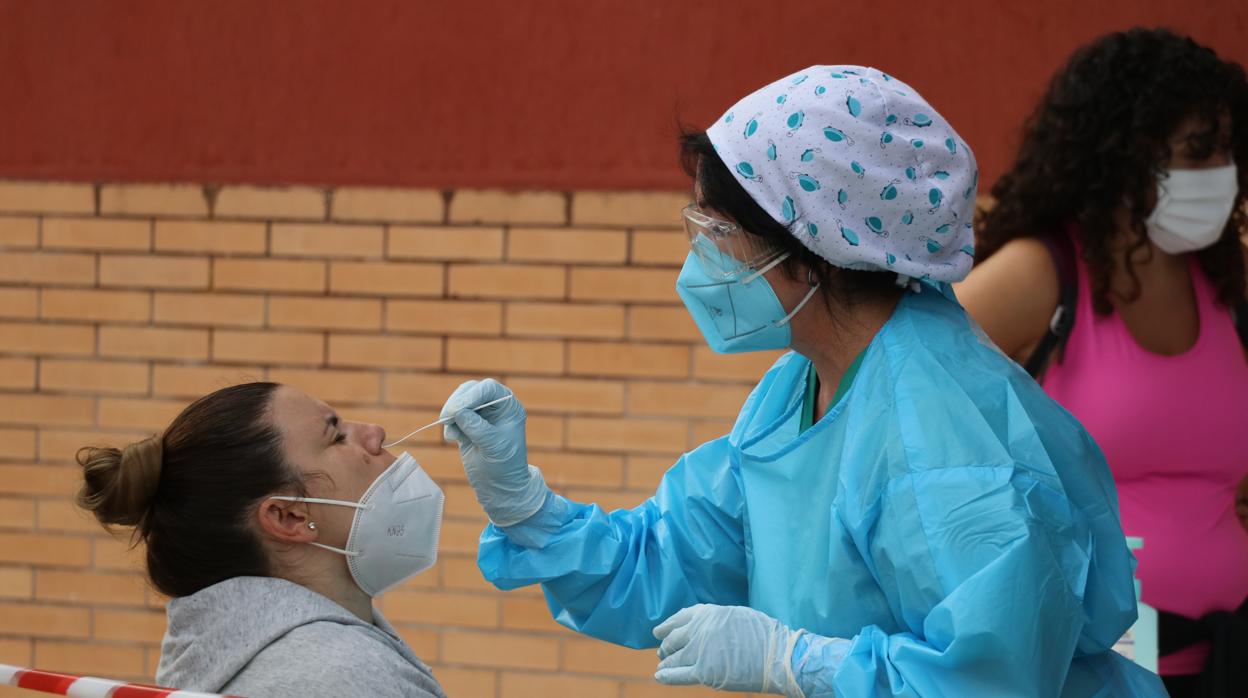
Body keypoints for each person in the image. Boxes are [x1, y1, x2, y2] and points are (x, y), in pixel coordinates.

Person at [439, 66, 1166, 696]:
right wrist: (522, 503)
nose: (700, 259)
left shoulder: (940, 440)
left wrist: (801, 663)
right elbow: (674, 556)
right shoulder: (800, 391)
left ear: (812, 253)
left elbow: (994, 679)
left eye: (716, 233)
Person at [956, 28, 1248, 696]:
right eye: (1199, 149)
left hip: (1225, 662)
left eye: (1229, 147)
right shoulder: (1040, 275)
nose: (1221, 170)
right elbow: (901, 400)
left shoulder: (1227, 288)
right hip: (1083, 673)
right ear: (1121, 152)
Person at [76, 382, 447, 698]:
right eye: (337, 436)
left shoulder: (236, 661)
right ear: (288, 516)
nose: (374, 432)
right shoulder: (349, 677)